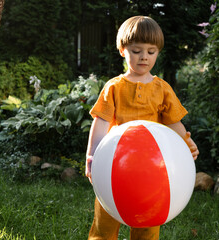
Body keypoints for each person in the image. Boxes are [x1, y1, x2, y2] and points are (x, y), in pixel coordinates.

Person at [85, 15, 199, 240]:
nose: (144, 57)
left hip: (151, 170)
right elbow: (101, 123)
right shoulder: (114, 87)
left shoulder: (162, 89)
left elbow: (172, 122)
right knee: (105, 222)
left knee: (148, 221)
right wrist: (91, 156)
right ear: (122, 51)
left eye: (151, 51)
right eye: (136, 51)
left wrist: (187, 142)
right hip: (114, 166)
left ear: (158, 52)